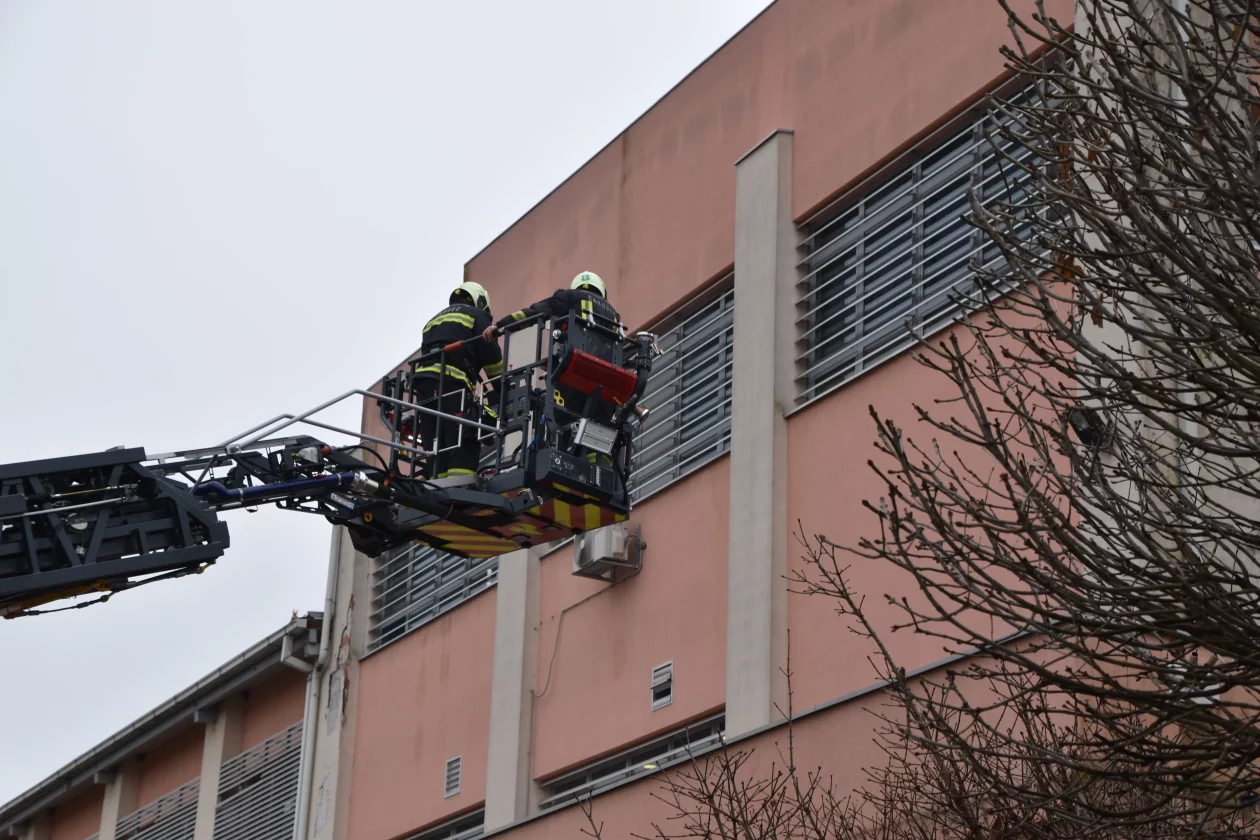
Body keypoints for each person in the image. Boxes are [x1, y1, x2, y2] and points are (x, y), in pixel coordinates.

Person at [413, 282, 504, 480]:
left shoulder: (432, 322)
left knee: (436, 444)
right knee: (464, 440)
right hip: (452, 384)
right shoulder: (478, 315)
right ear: (480, 301)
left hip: (424, 386)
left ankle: (436, 486)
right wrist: (503, 388)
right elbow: (491, 357)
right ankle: (460, 486)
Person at [481, 271, 621, 343]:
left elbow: (533, 313)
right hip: (603, 370)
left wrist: (501, 326)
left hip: (573, 360)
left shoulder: (568, 296)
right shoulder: (614, 314)